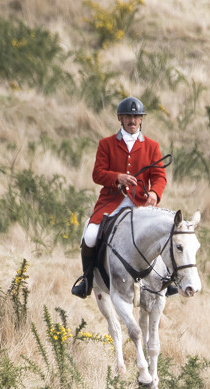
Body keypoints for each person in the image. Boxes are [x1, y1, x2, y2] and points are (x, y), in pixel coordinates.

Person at [71, 96, 168, 299]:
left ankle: (167, 280)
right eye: (127, 116)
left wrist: (154, 193)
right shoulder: (106, 144)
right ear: (120, 118)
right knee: (89, 235)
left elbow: (159, 176)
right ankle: (87, 280)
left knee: (163, 233)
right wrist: (117, 177)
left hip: (141, 201)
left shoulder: (152, 146)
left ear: (141, 119)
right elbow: (97, 174)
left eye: (136, 116)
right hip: (110, 201)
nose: (132, 120)